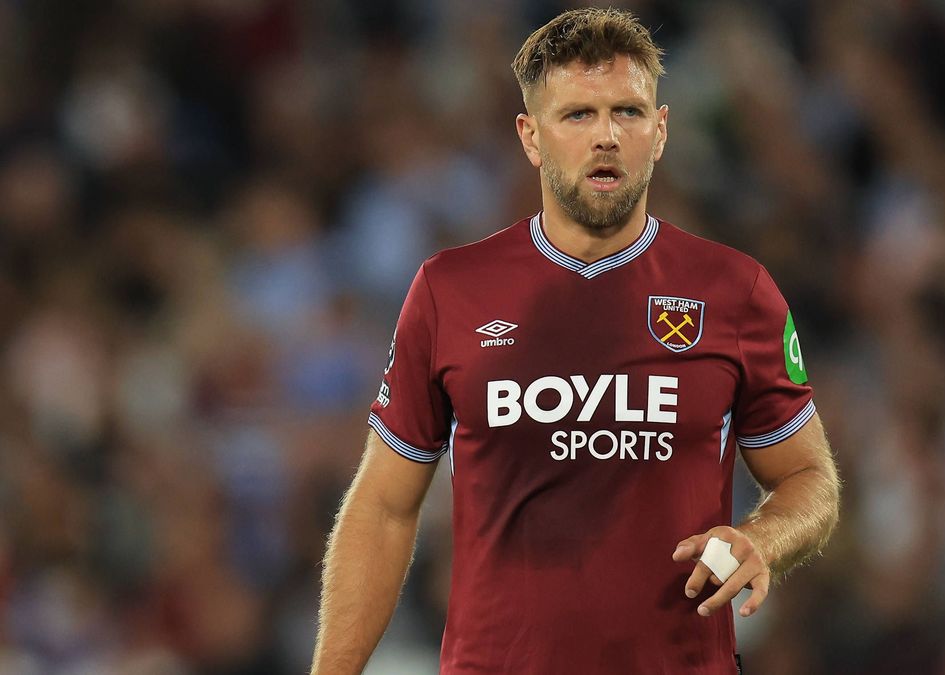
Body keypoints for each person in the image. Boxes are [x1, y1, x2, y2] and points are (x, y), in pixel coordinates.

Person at [312, 8, 840, 674]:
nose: (607, 137)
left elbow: (809, 477)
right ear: (531, 137)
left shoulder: (736, 292)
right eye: (578, 115)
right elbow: (384, 504)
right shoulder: (451, 291)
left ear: (662, 130)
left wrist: (764, 536)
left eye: (628, 112)